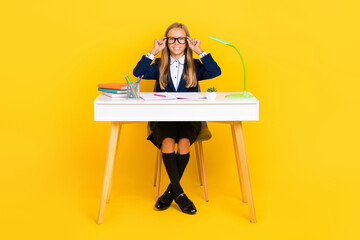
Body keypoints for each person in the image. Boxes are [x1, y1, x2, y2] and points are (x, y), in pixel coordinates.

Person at [133, 22, 221, 214]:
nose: (176, 42)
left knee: (183, 143)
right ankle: (180, 194)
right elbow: (137, 73)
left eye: (181, 38)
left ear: (187, 41)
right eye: (171, 38)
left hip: (190, 119)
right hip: (164, 119)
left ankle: (170, 192)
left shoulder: (195, 66)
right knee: (167, 141)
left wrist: (199, 51)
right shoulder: (159, 65)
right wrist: (153, 51)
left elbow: (215, 71)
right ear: (166, 41)